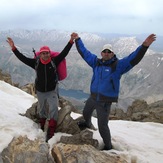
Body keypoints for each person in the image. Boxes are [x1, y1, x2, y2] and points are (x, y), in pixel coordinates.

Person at [74, 33, 156, 150]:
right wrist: (77, 40)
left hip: (105, 101)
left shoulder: (118, 66)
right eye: (104, 51)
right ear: (101, 53)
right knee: (86, 112)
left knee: (102, 125)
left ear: (112, 54)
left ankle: (108, 146)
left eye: (109, 52)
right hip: (93, 97)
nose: (106, 53)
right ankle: (87, 123)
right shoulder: (96, 62)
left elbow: (133, 58)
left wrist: (144, 46)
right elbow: (85, 53)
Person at [6, 33, 76, 142]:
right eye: (43, 53)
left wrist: (71, 41)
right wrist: (13, 48)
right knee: (42, 110)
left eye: (47, 53)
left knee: (53, 110)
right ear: (40, 54)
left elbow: (64, 52)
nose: (45, 55)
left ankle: (51, 132)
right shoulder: (36, 63)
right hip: (40, 91)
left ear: (49, 53)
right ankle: (43, 126)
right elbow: (22, 58)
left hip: (52, 90)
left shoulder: (54, 61)